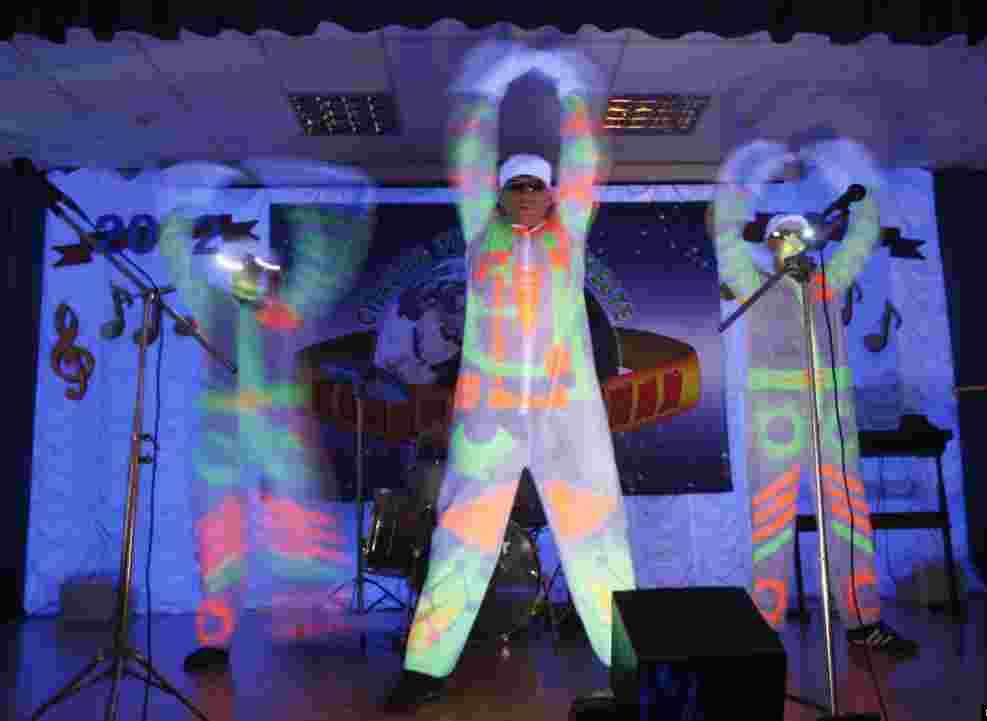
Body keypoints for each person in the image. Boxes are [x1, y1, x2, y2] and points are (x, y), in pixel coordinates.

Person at [383, 43, 637, 711]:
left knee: (596, 536)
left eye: (535, 186)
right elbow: (467, 160)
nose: (524, 195)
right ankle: (424, 667)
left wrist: (567, 89)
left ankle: (631, 666)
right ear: (499, 194)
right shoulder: (480, 236)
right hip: (489, 414)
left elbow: (584, 163)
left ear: (552, 195)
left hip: (566, 413)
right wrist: (490, 91)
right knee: (461, 536)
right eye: (513, 185)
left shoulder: (568, 236)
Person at [712, 140, 918, 658]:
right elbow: (724, 237)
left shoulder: (830, 283)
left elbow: (864, 232)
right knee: (772, 516)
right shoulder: (752, 283)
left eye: (799, 234)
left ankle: (863, 619)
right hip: (774, 415)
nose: (791, 241)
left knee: (849, 514)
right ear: (772, 244)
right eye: (781, 235)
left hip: (831, 413)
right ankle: (765, 624)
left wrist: (848, 171)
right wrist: (751, 171)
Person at [157, 179, 372, 672]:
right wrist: (182, 206)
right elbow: (177, 258)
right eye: (242, 267)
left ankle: (312, 624)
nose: (251, 274)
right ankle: (215, 640)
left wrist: (301, 198)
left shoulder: (290, 310)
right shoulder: (214, 307)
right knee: (218, 538)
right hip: (224, 433)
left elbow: (325, 265)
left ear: (271, 271)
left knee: (300, 527)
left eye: (260, 267)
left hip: (277, 429)